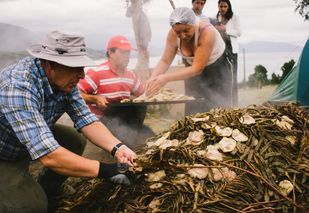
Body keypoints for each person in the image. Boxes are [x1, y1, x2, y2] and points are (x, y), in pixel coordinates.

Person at [0, 30, 136, 212]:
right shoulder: (18, 86)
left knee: (74, 139)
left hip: (28, 138)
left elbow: (87, 120)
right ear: (50, 64)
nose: (81, 75)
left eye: (82, 67)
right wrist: (106, 170)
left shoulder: (64, 81)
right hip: (5, 152)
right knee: (33, 206)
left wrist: (119, 148)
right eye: (75, 67)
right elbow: (49, 156)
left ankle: (49, 186)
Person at [146, 7, 232, 116]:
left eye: (186, 30)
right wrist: (153, 79)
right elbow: (164, 61)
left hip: (218, 67)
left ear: (194, 24)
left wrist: (166, 78)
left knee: (219, 109)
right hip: (191, 69)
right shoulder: (173, 35)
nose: (182, 35)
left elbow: (197, 69)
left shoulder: (207, 32)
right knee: (193, 107)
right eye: (178, 32)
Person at [78, 35, 152, 148]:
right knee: (132, 142)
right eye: (123, 53)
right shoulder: (97, 73)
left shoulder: (130, 75)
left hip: (127, 122)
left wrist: (155, 86)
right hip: (102, 122)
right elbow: (75, 93)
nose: (127, 57)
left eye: (128, 53)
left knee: (151, 135)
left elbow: (144, 94)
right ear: (111, 53)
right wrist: (94, 98)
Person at [211, 0, 241, 106]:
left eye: (225, 6)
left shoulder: (234, 17)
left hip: (231, 50)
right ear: (218, 7)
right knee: (220, 77)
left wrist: (226, 29)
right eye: (221, 6)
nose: (223, 8)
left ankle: (234, 104)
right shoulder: (216, 18)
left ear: (228, 7)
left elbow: (238, 32)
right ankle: (222, 103)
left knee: (232, 78)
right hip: (220, 51)